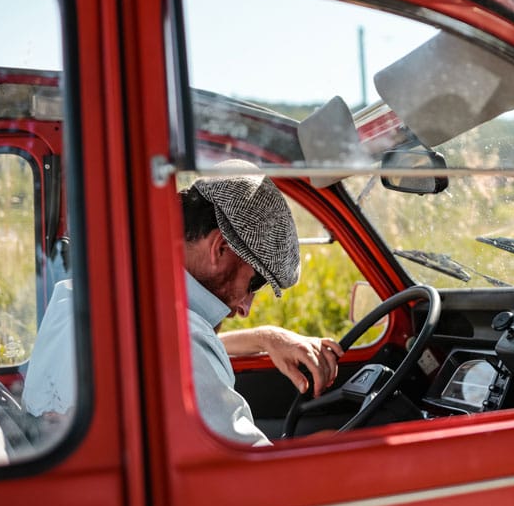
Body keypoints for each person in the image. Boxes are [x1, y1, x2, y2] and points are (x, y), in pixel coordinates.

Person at [22, 160, 343, 445]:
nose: (246, 308)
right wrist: (322, 448)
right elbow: (253, 473)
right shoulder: (181, 344)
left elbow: (159, 348)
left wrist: (264, 337)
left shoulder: (85, 295)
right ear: (219, 248)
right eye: (254, 283)